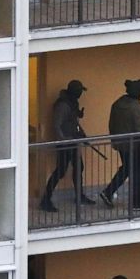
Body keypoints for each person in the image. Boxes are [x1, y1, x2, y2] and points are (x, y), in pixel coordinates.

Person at [40, 80, 96, 212]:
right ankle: (45, 200)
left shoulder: (72, 103)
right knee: (60, 171)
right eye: (80, 91)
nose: (81, 94)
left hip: (73, 142)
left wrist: (82, 135)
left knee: (78, 167)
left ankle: (79, 196)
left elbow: (74, 124)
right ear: (74, 91)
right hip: (66, 143)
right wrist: (63, 141)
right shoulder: (63, 105)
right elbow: (57, 125)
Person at [100, 79, 140, 211]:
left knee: (127, 169)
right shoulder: (137, 107)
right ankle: (136, 203)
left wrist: (115, 141)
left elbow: (111, 124)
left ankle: (108, 192)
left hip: (121, 144)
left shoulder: (117, 104)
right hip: (134, 145)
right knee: (139, 173)